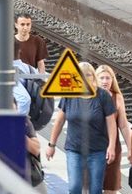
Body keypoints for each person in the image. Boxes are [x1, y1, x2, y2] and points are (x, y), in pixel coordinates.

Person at [46, 62, 118, 194]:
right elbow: (59, 120)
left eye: (88, 75)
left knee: (95, 189)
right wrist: (52, 145)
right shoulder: (69, 95)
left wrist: (111, 146)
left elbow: (111, 123)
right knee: (74, 187)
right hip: (74, 149)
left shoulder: (102, 96)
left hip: (97, 150)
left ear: (93, 76)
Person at [95, 65, 132, 194]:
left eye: (108, 78)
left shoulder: (117, 97)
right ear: (96, 79)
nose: (105, 81)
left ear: (112, 80)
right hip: (93, 148)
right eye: (102, 78)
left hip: (112, 149)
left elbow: (123, 125)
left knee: (111, 187)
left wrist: (131, 148)